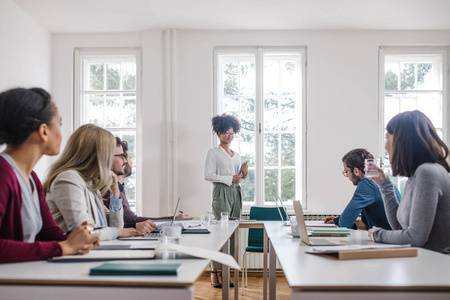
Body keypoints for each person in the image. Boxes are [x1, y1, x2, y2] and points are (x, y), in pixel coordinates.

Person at [0, 87, 99, 263]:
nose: (61, 134)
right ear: (44, 131)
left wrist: (76, 237)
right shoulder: (3, 173)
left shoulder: (31, 178)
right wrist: (64, 247)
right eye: (59, 124)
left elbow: (48, 232)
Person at [368, 110, 450, 254]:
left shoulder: (427, 173)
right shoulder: (415, 175)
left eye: (387, 138)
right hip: (423, 264)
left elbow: (415, 237)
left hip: (436, 268)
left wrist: (377, 234)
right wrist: (384, 184)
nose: (386, 146)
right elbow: (400, 228)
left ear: (401, 140)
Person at [44, 124, 141, 241]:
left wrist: (115, 191)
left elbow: (115, 226)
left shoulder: (90, 183)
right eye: (109, 154)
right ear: (98, 154)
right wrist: (119, 232)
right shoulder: (68, 179)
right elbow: (83, 231)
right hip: (72, 256)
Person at [106, 138, 190, 234]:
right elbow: (129, 219)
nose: (127, 161)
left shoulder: (118, 187)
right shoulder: (109, 188)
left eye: (126, 158)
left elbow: (124, 221)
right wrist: (172, 219)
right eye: (124, 157)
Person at [204, 114, 248, 288]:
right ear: (219, 133)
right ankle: (215, 272)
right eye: (225, 132)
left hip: (235, 193)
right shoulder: (213, 153)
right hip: (221, 192)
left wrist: (243, 174)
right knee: (219, 235)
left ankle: (227, 272)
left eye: (232, 132)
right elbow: (208, 175)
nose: (229, 135)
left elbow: (238, 179)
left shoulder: (236, 155)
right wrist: (231, 178)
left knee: (232, 235)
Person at [324, 148, 401, 230]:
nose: (347, 176)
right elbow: (370, 225)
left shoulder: (367, 183)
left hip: (392, 240)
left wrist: (341, 220)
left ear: (356, 171)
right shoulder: (379, 181)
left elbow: (344, 223)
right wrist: (337, 220)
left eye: (346, 172)